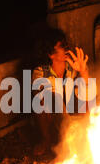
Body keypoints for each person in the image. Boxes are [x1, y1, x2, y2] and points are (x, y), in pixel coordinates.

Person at [32, 28, 93, 156]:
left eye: (66, 44)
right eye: (61, 46)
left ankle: (83, 134)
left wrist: (83, 71)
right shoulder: (40, 73)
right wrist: (70, 131)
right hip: (53, 113)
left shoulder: (71, 67)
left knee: (91, 98)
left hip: (68, 110)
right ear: (51, 54)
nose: (66, 48)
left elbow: (88, 90)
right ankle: (46, 139)